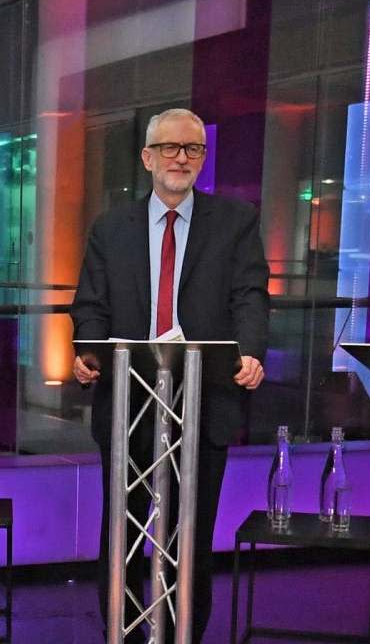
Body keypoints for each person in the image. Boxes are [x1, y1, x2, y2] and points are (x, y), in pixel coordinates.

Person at [71, 108, 269, 644]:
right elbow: (90, 306)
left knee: (192, 533)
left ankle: (184, 635)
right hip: (127, 403)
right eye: (170, 148)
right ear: (147, 157)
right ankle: (125, 631)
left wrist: (250, 352)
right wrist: (87, 352)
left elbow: (251, 297)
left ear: (203, 158)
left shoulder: (236, 221)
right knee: (125, 532)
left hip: (205, 402)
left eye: (193, 149)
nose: (181, 158)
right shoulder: (111, 228)